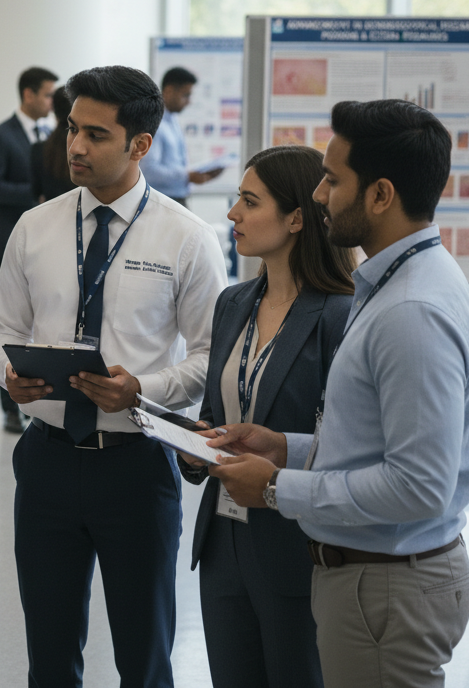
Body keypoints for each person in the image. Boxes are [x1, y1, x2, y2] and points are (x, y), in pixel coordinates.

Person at [208, 99, 469, 688]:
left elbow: (419, 485)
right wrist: (288, 446)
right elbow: (376, 443)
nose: (318, 195)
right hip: (374, 580)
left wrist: (279, 487)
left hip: (386, 584)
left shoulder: (411, 310)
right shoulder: (397, 283)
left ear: (381, 195)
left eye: (333, 181)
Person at [0, 66, 227, 687]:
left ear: (140, 144)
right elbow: (0, 329)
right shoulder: (35, 228)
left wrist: (141, 389)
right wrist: (9, 374)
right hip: (46, 463)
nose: (74, 147)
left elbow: (209, 359)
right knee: (49, 652)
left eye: (95, 134)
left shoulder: (188, 239)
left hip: (137, 465)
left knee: (144, 655)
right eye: (71, 129)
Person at [179, 145, 355, 688]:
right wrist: (193, 445)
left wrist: (274, 453)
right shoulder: (233, 303)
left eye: (249, 202)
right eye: (236, 199)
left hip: (294, 544)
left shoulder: (340, 314)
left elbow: (345, 443)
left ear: (297, 217)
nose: (232, 214)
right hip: (222, 542)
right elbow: (215, 412)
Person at [0, 65, 57, 432]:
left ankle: (37, 397)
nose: (51, 101)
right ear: (28, 94)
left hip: (48, 243)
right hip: (10, 236)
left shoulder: (55, 136)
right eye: (46, 93)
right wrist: (37, 197)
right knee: (11, 324)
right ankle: (10, 406)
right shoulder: (0, 135)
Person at [141, 66, 224, 206]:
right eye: (185, 95)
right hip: (162, 202)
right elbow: (148, 170)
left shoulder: (172, 120)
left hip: (176, 198)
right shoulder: (155, 124)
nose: (189, 101)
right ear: (168, 90)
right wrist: (187, 176)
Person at [29, 86, 76, 204]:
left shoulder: (39, 149)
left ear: (53, 109)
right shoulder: (86, 148)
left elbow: (36, 192)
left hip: (52, 217)